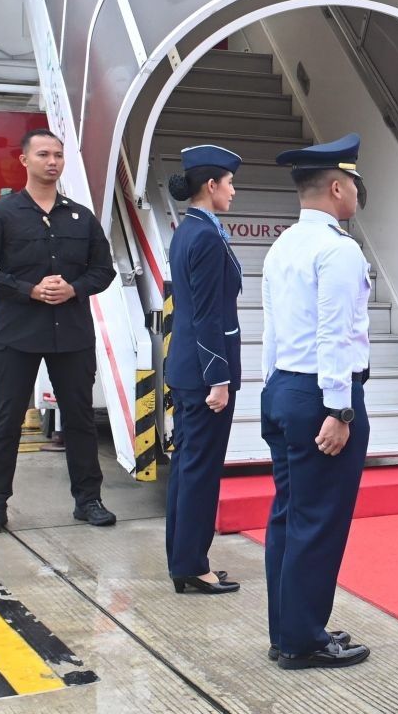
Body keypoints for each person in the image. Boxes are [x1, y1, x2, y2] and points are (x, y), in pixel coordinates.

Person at [0, 128, 116, 535]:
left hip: (70, 333)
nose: (52, 162)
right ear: (25, 161)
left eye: (58, 155)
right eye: (44, 154)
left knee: (80, 420)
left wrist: (73, 288)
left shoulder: (80, 217)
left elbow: (103, 270)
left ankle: (89, 500)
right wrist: (29, 290)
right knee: (6, 420)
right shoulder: (1, 214)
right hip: (16, 333)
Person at [261, 133, 372, 669]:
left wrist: (271, 390)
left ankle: (287, 630)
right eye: (354, 183)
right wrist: (340, 409)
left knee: (288, 517)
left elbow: (274, 330)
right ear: (336, 187)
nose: (356, 192)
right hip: (321, 394)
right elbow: (335, 337)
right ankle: (304, 640)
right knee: (319, 522)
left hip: (285, 387)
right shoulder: (339, 248)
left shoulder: (284, 244)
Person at [164, 144, 244, 595]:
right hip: (205, 371)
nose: (233, 191)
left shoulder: (189, 230)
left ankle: (184, 559)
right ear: (210, 185)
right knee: (200, 469)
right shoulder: (208, 237)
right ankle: (192, 564)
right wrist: (219, 379)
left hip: (188, 366)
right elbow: (209, 315)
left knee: (187, 467)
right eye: (229, 183)